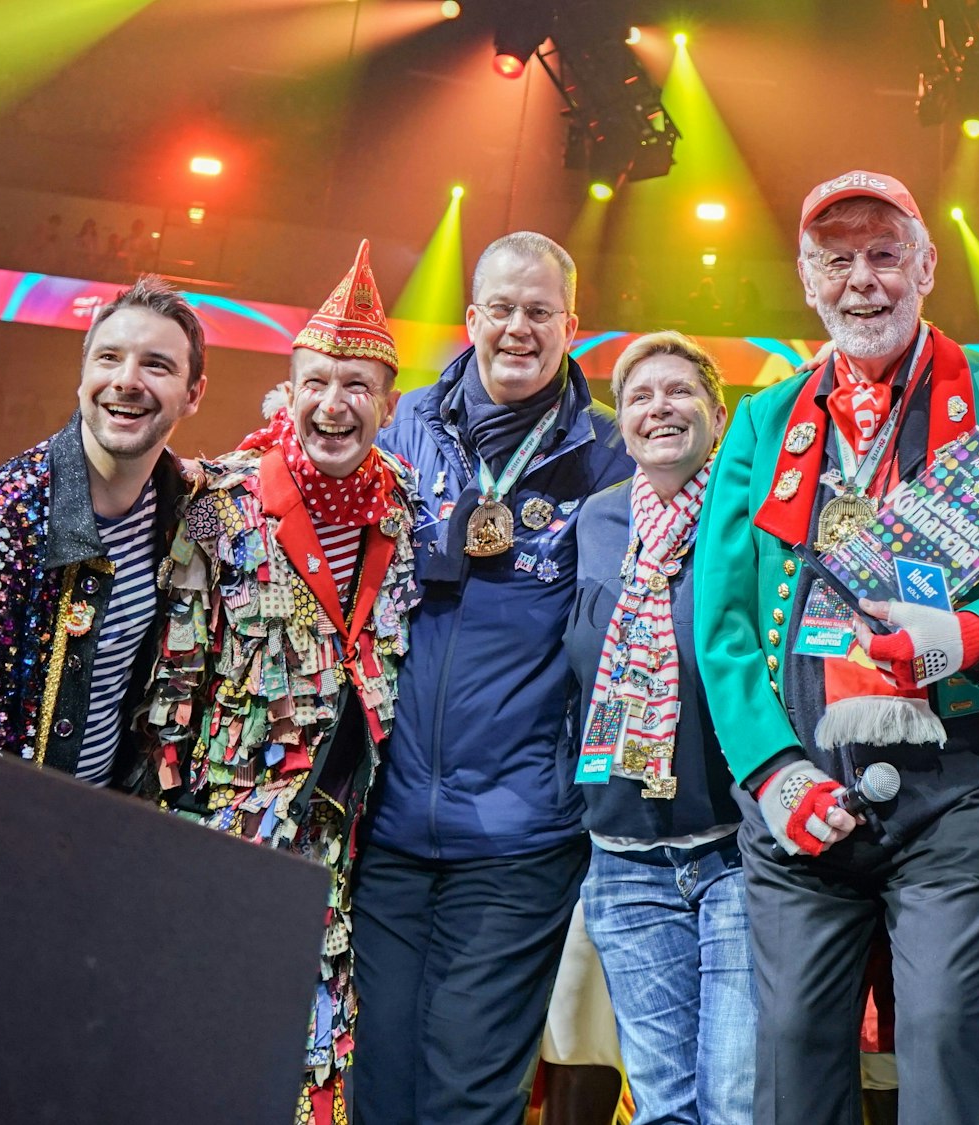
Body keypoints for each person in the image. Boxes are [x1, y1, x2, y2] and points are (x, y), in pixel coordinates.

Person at [694, 169, 979, 1125]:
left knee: (940, 1035)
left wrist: (967, 635)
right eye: (838, 261)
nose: (862, 281)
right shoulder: (760, 421)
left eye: (884, 255)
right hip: (803, 780)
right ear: (806, 279)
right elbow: (723, 624)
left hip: (961, 784)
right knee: (791, 1041)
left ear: (926, 265)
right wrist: (769, 768)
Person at [352, 231, 633, 1125]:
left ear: (570, 326)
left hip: (521, 836)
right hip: (387, 826)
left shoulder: (609, 463)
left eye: (539, 312)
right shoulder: (398, 434)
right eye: (502, 309)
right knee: (376, 1082)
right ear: (471, 318)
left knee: (469, 1093)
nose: (519, 328)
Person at [141, 240, 418, 1125]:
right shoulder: (219, 501)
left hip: (343, 848)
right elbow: (170, 680)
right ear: (288, 393)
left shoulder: (406, 512)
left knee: (312, 1058)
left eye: (356, 386)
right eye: (317, 383)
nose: (334, 405)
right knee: (200, 1037)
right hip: (218, 829)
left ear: (389, 403)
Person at [0, 276, 206, 782]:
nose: (127, 380)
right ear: (82, 374)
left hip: (104, 831)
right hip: (1, 832)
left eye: (156, 364)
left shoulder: (187, 509)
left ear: (193, 393)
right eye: (109, 358)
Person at [566, 330, 752, 1124]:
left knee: (737, 1098)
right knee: (663, 1103)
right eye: (639, 395)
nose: (658, 408)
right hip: (624, 855)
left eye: (678, 392)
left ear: (718, 412)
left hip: (738, 851)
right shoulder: (599, 522)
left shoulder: (752, 520)